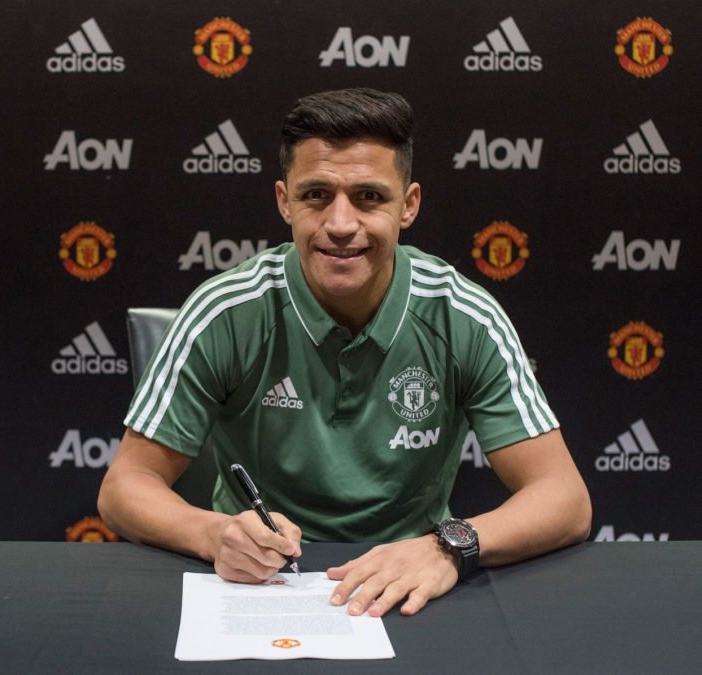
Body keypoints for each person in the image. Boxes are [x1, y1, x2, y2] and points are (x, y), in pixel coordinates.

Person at [98, 88, 591, 618]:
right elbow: (124, 487)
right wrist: (214, 534)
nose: (340, 224)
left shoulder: (463, 315)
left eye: (369, 197)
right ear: (284, 202)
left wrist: (447, 547)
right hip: (259, 583)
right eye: (316, 195)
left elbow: (565, 498)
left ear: (408, 205)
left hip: (408, 583)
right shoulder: (225, 310)